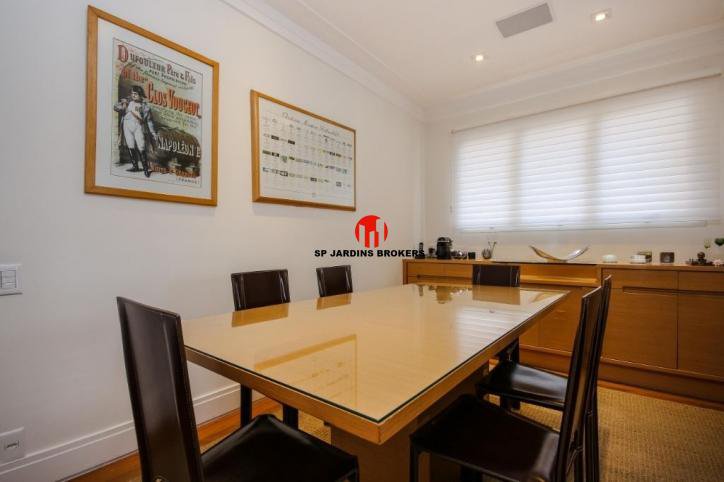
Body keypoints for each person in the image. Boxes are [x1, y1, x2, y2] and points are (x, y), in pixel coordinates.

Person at [114, 85, 158, 177]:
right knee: (130, 145)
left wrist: (153, 132)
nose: (133, 95)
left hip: (138, 127)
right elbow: (116, 108)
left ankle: (145, 169)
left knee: (141, 146)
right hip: (127, 126)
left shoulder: (145, 107)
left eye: (136, 94)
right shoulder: (128, 102)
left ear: (140, 95)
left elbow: (149, 121)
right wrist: (122, 103)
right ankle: (135, 166)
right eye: (132, 93)